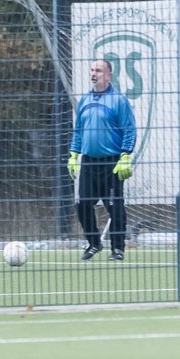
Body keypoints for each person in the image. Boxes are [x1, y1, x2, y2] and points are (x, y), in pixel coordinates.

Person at [67, 59, 136, 261]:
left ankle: (117, 249)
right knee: (83, 204)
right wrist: (73, 155)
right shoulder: (85, 100)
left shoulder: (118, 100)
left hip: (111, 163)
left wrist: (125, 155)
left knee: (115, 207)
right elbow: (78, 131)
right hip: (89, 162)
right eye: (92, 70)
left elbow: (129, 130)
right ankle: (94, 242)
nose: (93, 74)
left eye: (98, 70)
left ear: (108, 75)